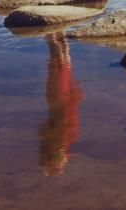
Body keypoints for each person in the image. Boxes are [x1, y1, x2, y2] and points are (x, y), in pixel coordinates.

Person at [38, 32, 82, 176]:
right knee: (59, 65)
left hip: (60, 100)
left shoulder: (64, 139)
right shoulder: (60, 140)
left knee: (60, 65)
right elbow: (57, 119)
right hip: (58, 100)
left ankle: (54, 32)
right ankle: (53, 32)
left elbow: (56, 120)